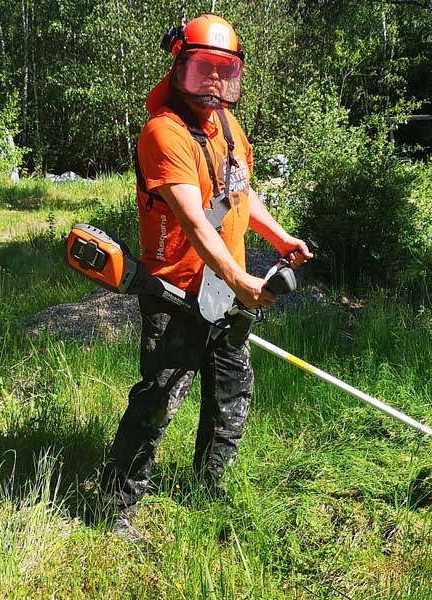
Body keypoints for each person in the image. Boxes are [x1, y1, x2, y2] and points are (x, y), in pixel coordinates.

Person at [100, 13, 312, 542]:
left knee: (232, 392)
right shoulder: (163, 132)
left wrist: (279, 239)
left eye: (224, 71)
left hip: (226, 287)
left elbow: (239, 193)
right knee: (159, 398)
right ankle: (115, 505)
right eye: (201, 70)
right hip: (177, 293)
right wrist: (243, 278)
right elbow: (194, 219)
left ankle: (207, 488)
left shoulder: (228, 127)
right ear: (179, 67)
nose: (214, 82)